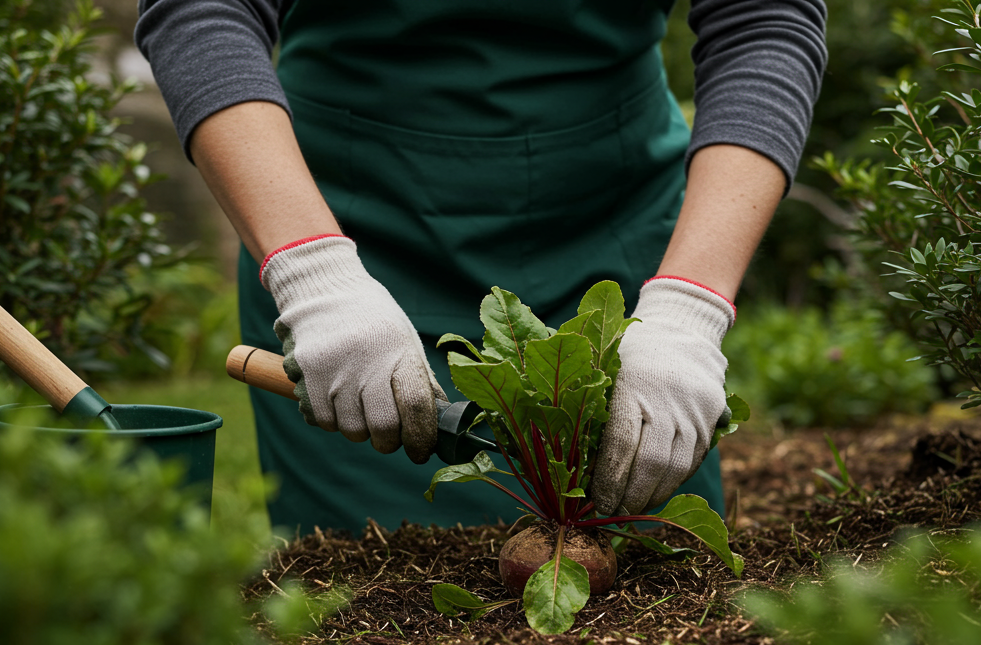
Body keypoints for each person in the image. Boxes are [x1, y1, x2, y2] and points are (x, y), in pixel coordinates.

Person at [135, 0, 827, 536]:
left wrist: (688, 308)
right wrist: (313, 273)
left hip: (616, 234)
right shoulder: (327, 265)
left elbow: (763, 20)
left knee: (658, 575)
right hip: (343, 226)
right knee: (364, 609)